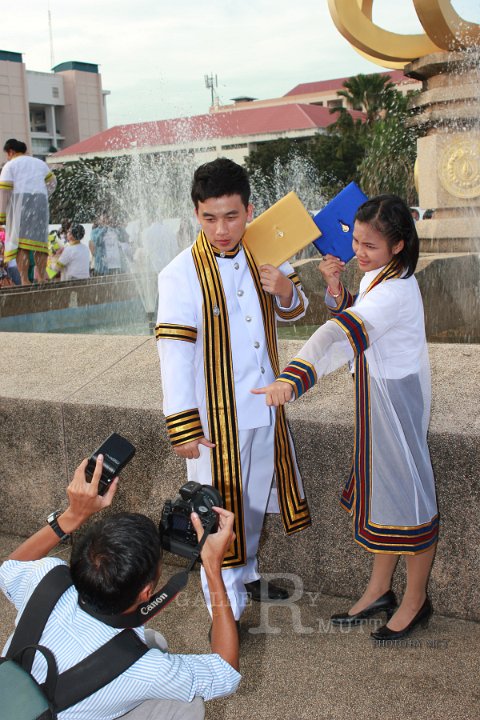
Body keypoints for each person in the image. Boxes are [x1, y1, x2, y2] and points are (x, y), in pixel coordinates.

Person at [253, 194, 438, 641]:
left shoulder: (394, 289)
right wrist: (338, 291)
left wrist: (293, 378)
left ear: (398, 245)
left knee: (410, 500)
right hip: (378, 394)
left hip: (395, 400)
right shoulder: (383, 275)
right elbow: (358, 313)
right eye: (355, 240)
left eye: (369, 246)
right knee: (385, 495)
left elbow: (344, 333)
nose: (358, 252)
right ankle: (379, 590)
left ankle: (415, 601)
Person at [156, 158, 311, 622]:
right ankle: (221, 609)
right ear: (196, 214)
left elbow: (295, 310)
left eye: (231, 216)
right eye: (209, 217)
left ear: (249, 210)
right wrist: (182, 424)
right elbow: (174, 355)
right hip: (215, 419)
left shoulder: (264, 247)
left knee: (255, 499)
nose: (221, 229)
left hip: (265, 405)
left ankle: (246, 574)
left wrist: (285, 289)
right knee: (218, 509)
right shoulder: (179, 273)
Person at [0, 454, 240, 720]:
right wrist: (213, 569)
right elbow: (226, 672)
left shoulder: (46, 577)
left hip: (11, 699)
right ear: (147, 593)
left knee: (153, 641)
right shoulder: (146, 668)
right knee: (187, 704)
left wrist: (72, 516)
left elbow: (10, 567)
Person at [0, 138, 57, 285]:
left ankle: (25, 280)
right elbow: (52, 183)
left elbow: (4, 191)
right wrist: (43, 196)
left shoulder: (10, 165)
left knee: (22, 244)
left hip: (20, 203)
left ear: (11, 151)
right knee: (40, 243)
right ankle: (42, 278)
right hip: (41, 202)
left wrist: (1, 215)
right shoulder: (39, 163)